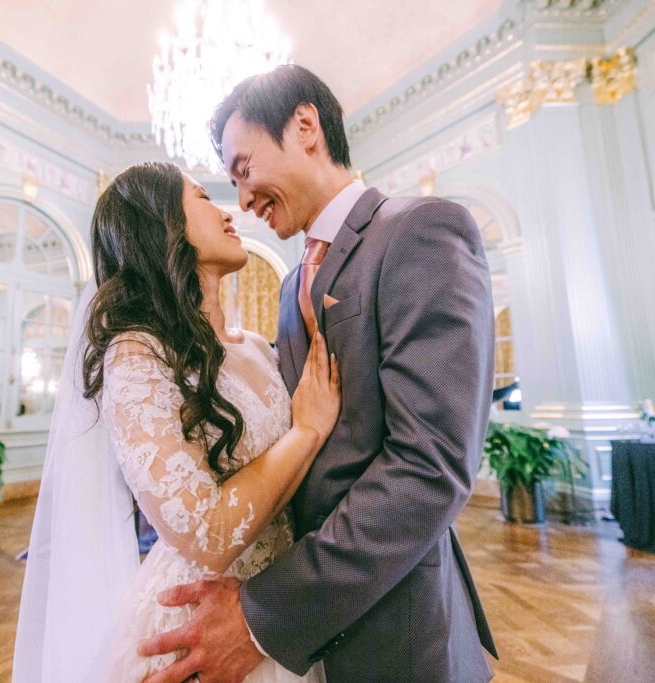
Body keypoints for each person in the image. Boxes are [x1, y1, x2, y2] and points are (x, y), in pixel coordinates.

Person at [138, 65, 498, 683]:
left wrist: (264, 614)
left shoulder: (420, 231)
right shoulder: (288, 289)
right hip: (307, 633)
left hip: (396, 627)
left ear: (305, 127)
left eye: (244, 169)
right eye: (229, 183)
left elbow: (430, 466)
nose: (243, 201)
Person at [14, 160, 340, 682]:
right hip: (198, 622)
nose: (228, 211)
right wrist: (306, 431)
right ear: (163, 223)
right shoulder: (139, 354)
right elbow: (206, 535)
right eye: (203, 198)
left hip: (282, 606)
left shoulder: (258, 349)